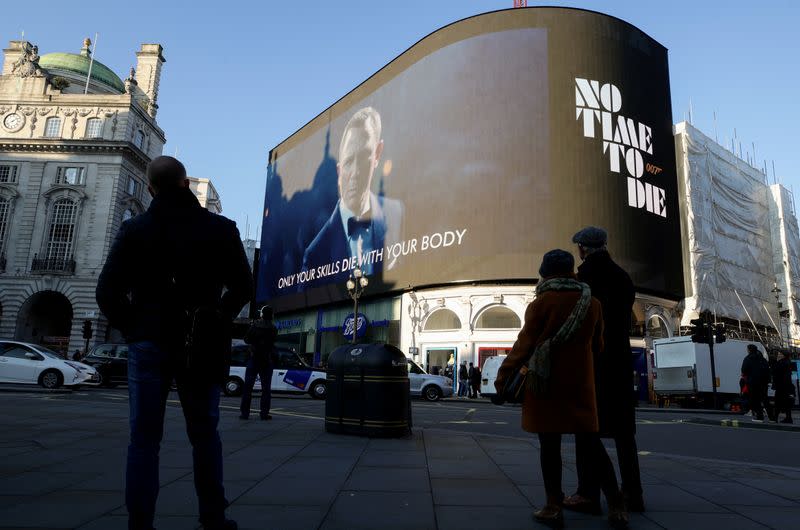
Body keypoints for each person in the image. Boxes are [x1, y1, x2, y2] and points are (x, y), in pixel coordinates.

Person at [96, 156, 252, 530]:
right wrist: (218, 316)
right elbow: (244, 286)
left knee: (144, 439)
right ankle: (213, 516)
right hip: (201, 343)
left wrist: (134, 327)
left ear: (150, 189)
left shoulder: (135, 229)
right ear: (185, 184)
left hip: (149, 340)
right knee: (204, 435)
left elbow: (107, 292)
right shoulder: (221, 228)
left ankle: (140, 522)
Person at [494, 249, 627, 529]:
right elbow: (598, 346)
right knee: (592, 446)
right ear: (571, 270)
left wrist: (503, 378)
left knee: (549, 446)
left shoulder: (541, 303)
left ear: (544, 272)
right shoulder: (593, 304)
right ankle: (616, 505)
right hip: (580, 385)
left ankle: (553, 506)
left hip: (546, 385)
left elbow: (524, 346)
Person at [564, 226, 644, 515]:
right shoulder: (623, 277)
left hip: (592, 362)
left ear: (582, 249)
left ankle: (588, 493)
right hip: (620, 362)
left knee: (587, 430)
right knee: (624, 433)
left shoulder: (582, 279)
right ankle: (634, 493)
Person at [302, 107, 404, 280]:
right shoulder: (315, 253)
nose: (356, 172)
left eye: (364, 156)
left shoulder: (395, 212)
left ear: (377, 154)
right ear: (339, 171)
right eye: (349, 162)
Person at [240, 305, 278, 420]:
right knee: (266, 389)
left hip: (254, 358)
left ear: (262, 314)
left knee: (248, 388)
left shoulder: (255, 326)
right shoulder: (273, 328)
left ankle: (245, 413)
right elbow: (272, 343)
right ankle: (264, 413)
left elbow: (246, 339)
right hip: (266, 360)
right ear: (271, 315)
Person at [741, 344, 771, 422]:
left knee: (755, 400)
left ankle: (760, 416)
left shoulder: (748, 359)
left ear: (749, 350)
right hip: (763, 383)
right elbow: (767, 370)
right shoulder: (762, 359)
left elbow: (744, 370)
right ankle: (772, 417)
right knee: (765, 399)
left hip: (753, 382)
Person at [772, 350, 795, 424]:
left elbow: (775, 373)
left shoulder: (781, 363)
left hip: (781, 386)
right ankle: (788, 418)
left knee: (778, 402)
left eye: (779, 354)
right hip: (785, 386)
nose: (778, 355)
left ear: (783, 355)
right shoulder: (787, 362)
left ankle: (775, 418)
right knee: (786, 403)